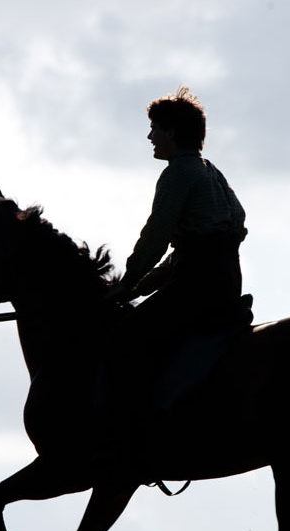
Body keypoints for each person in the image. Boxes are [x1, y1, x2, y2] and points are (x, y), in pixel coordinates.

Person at [106, 87, 251, 416]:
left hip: (196, 288)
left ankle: (139, 422)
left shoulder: (177, 174)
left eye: (155, 128)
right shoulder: (210, 172)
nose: (150, 136)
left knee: (125, 339)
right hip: (226, 285)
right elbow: (191, 250)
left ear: (171, 132)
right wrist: (141, 287)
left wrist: (128, 281)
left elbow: (156, 237)